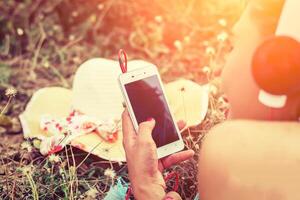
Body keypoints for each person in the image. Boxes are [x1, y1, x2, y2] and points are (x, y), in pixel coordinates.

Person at [122, 0, 300, 199]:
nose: (218, 70)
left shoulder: (229, 150)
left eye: (233, 47)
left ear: (280, 65)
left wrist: (145, 189)